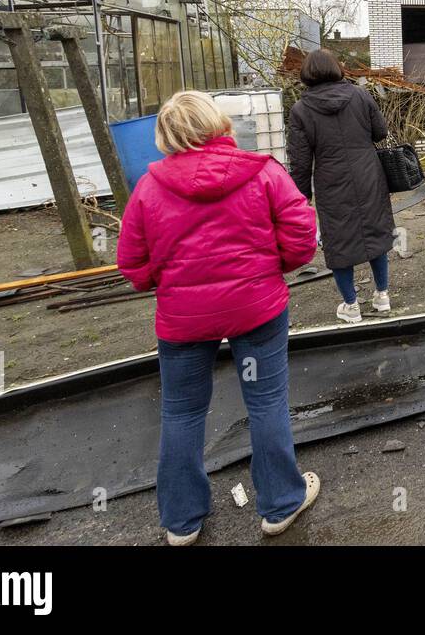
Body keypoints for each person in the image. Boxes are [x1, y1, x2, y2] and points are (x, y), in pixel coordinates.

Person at [117, 90, 320, 546]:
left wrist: (163, 281)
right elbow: (302, 231)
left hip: (183, 320)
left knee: (181, 413)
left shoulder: (148, 188)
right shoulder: (263, 172)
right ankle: (280, 505)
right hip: (257, 307)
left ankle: (182, 522)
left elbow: (132, 263)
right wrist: (275, 268)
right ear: (218, 124)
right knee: (266, 403)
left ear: (166, 136)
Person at [287, 48, 395, 324]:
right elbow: (380, 133)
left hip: (331, 180)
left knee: (339, 241)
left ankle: (351, 306)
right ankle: (382, 296)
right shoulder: (360, 95)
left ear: (306, 74)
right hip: (369, 174)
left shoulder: (301, 110)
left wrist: (301, 199)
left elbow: (300, 162)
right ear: (337, 68)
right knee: (375, 232)